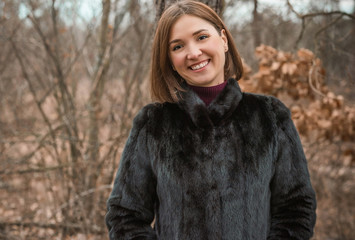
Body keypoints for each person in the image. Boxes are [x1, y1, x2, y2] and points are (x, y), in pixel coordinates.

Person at [105, 1, 317, 239]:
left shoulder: (270, 116)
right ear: (169, 61)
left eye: (202, 37)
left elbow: (296, 208)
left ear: (224, 40)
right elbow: (124, 215)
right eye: (177, 46)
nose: (193, 53)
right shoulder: (153, 124)